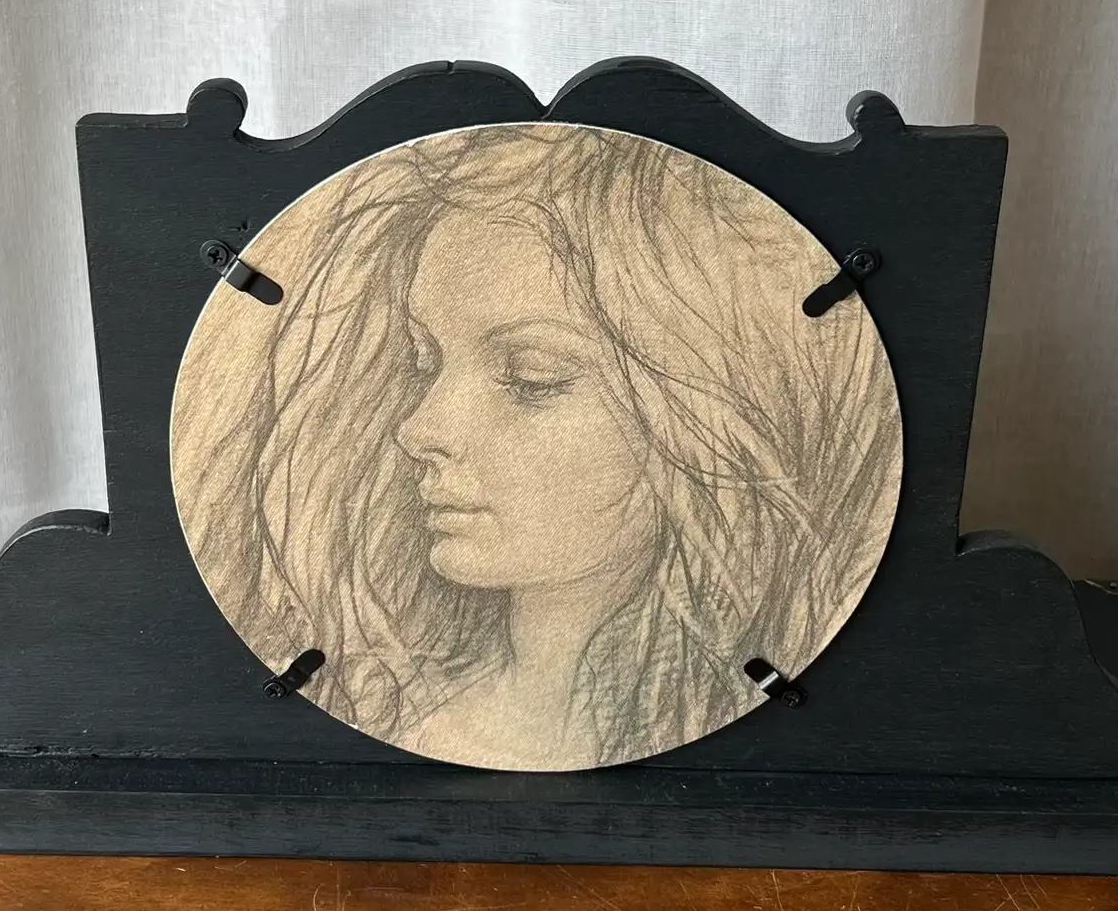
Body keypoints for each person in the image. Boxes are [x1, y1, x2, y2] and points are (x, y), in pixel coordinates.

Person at [173, 122, 901, 771]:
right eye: (424, 362)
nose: (418, 430)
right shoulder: (398, 701)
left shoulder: (712, 705)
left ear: (712, 408)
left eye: (531, 379)